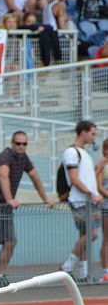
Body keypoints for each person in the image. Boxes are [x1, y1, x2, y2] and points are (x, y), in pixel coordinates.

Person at [0, 131, 54, 287]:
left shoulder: (24, 158)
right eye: (18, 143)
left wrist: (45, 198)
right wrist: (9, 199)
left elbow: (35, 177)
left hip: (5, 207)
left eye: (24, 144)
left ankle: (0, 274)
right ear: (12, 143)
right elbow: (3, 176)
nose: (21, 147)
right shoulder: (5, 156)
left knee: (10, 242)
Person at [60, 120, 103, 282]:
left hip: (89, 201)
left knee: (85, 235)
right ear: (82, 132)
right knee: (91, 234)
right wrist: (92, 194)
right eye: (92, 133)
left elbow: (86, 177)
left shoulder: (84, 153)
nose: (94, 137)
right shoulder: (71, 152)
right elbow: (74, 179)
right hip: (81, 201)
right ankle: (67, 266)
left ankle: (84, 272)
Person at [95, 138, 108, 281]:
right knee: (107, 239)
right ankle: (106, 271)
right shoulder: (102, 165)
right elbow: (99, 186)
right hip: (106, 206)